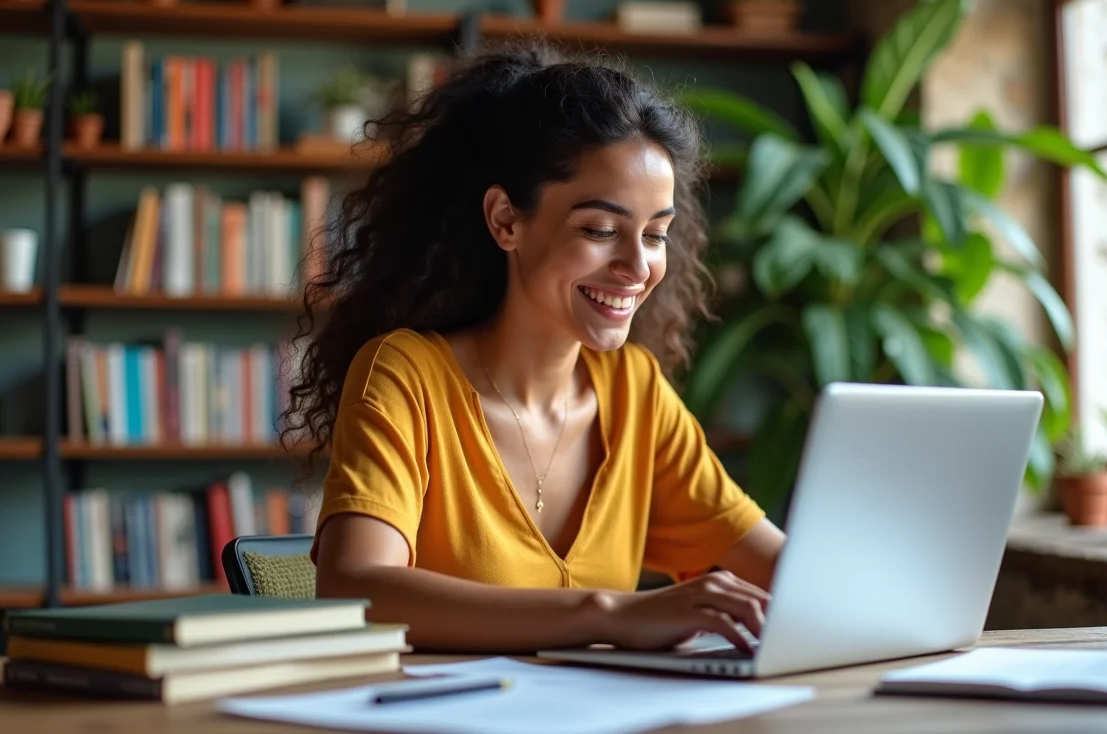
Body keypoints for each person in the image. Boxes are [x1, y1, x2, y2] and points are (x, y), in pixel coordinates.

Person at [282, 43, 786, 656]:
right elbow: (355, 591)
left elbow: (787, 572)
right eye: (600, 231)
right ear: (506, 221)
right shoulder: (406, 376)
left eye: (655, 235)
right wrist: (608, 613)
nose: (637, 267)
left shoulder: (635, 390)